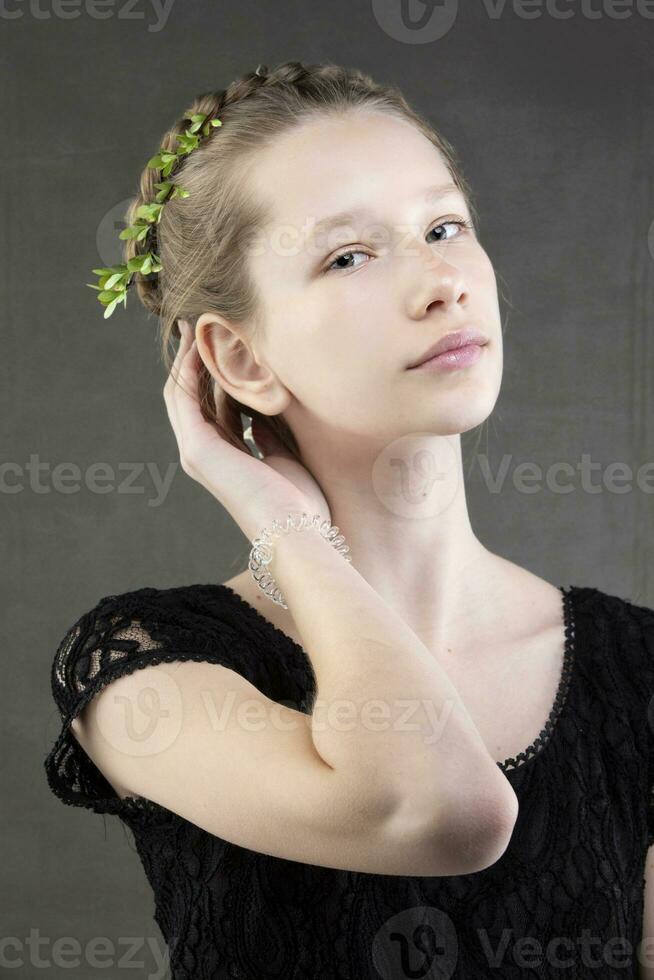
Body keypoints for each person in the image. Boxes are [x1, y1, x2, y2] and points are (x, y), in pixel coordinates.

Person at [44, 60, 654, 978]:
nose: (443, 281)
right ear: (240, 358)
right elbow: (440, 813)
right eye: (349, 256)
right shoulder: (146, 666)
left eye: (445, 226)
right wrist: (281, 525)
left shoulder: (638, 670)